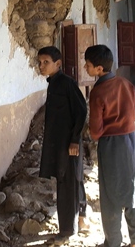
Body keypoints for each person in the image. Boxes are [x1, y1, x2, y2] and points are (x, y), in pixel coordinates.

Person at [84, 44, 135, 247]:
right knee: (133, 188)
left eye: (88, 65)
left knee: (110, 193)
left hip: (110, 145)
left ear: (99, 69)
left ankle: (114, 241)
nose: (86, 68)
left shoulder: (98, 92)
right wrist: (124, 122)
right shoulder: (126, 83)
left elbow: (95, 131)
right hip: (130, 141)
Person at [37, 46, 89, 239]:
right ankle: (82, 218)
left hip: (68, 143)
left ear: (57, 64)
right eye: (40, 62)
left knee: (67, 182)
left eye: (46, 63)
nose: (41, 66)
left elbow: (81, 111)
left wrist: (75, 140)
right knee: (74, 178)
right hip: (59, 142)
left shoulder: (67, 84)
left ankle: (67, 229)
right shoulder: (53, 84)